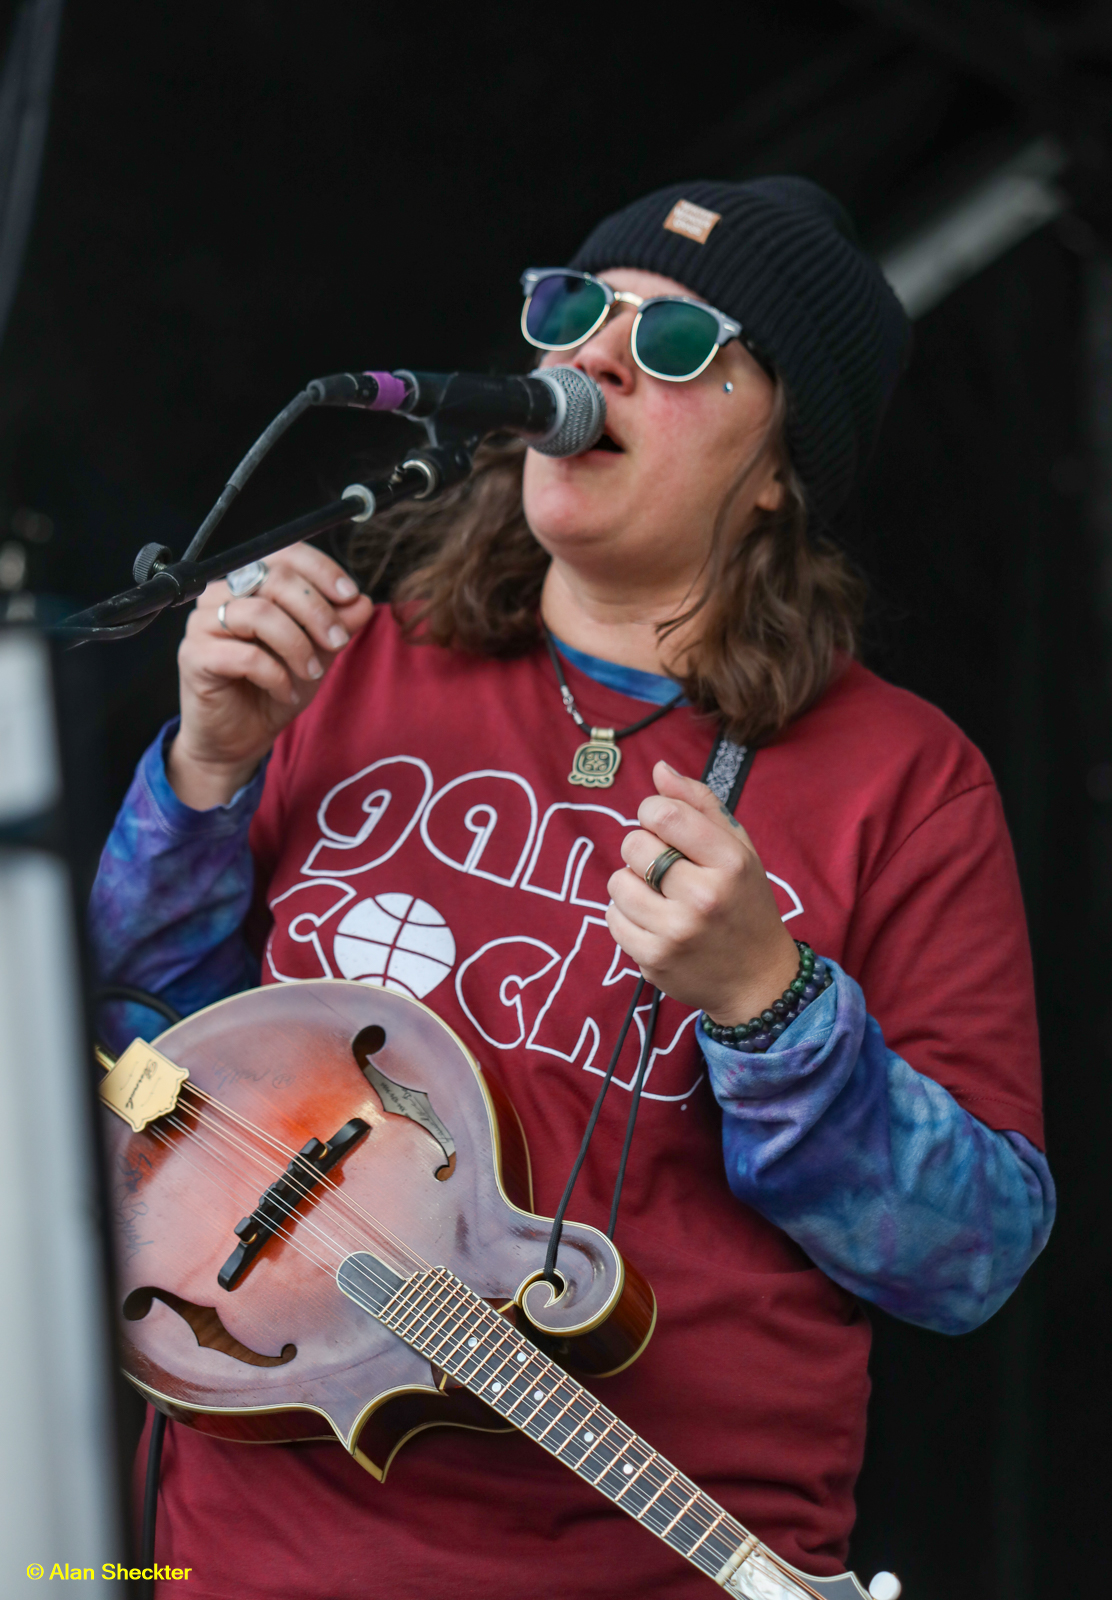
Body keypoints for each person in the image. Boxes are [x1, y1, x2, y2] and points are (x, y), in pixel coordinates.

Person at [91, 178, 1054, 1600]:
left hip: (654, 1561)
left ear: (783, 464)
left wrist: (770, 1007)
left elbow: (970, 1258)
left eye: (677, 348)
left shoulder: (909, 782)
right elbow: (122, 1062)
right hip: (246, 1553)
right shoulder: (343, 657)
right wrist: (203, 779)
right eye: (575, 313)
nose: (594, 359)